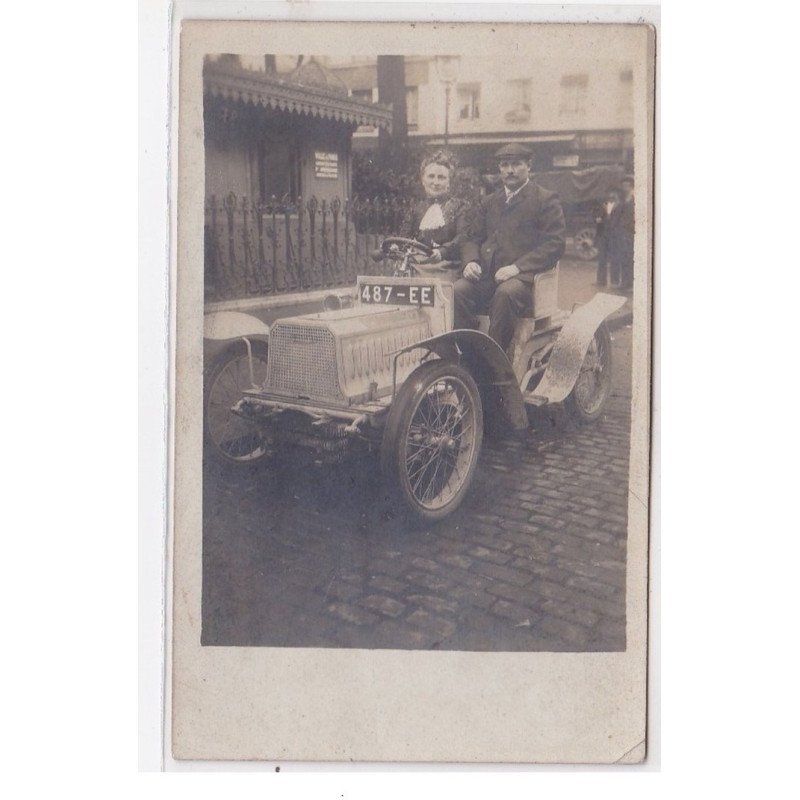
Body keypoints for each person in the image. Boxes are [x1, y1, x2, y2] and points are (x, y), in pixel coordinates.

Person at [454, 143, 566, 351]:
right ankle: (467, 356)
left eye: (516, 164)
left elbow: (555, 244)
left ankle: (495, 366)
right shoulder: (489, 201)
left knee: (505, 294)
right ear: (499, 169)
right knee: (459, 290)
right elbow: (471, 237)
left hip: (525, 282)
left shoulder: (544, 199)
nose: (510, 170)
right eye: (505, 165)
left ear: (529, 166)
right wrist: (471, 261)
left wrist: (517, 268)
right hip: (487, 278)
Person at [398, 151, 472, 264]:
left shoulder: (460, 207)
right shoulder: (416, 208)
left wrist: (442, 252)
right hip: (418, 265)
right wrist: (396, 246)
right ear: (423, 180)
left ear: (449, 183)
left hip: (448, 266)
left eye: (441, 177)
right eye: (431, 176)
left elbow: (462, 238)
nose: (435, 182)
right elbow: (404, 237)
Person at [594, 187, 623, 287]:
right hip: (603, 235)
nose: (611, 195)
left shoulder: (620, 206)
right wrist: (598, 219)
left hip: (614, 236)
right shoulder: (603, 205)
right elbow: (596, 216)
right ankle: (601, 281)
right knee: (602, 259)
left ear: (617, 195)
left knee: (615, 259)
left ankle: (615, 281)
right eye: (609, 194)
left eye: (613, 194)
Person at [617, 175, 635, 291]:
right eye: (623, 185)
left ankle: (630, 284)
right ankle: (624, 283)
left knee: (630, 258)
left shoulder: (634, 198)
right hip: (623, 232)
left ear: (631, 186)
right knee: (623, 257)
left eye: (626, 185)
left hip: (631, 232)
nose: (624, 187)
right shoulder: (624, 198)